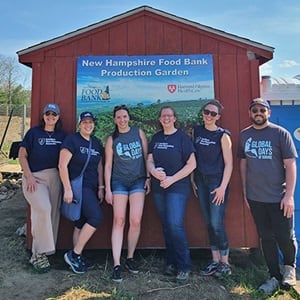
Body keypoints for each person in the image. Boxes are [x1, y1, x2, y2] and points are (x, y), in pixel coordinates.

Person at [238, 98, 298, 295]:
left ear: (268, 113)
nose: (258, 113)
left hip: (278, 198)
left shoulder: (280, 133)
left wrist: (289, 196)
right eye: (254, 110)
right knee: (266, 238)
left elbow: (291, 165)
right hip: (256, 199)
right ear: (250, 113)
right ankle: (273, 276)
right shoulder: (244, 135)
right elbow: (244, 164)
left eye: (262, 110)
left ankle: (289, 267)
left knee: (285, 237)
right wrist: (246, 193)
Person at [147, 106, 196, 282]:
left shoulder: (182, 138)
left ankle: (184, 266)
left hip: (177, 187)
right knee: (167, 225)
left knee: (175, 224)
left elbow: (191, 165)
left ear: (175, 118)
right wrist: (153, 171)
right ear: (160, 119)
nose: (166, 118)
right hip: (159, 187)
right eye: (163, 116)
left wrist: (172, 179)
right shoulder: (156, 138)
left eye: (169, 115)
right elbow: (149, 160)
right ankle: (171, 262)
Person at [104, 104, 150, 283]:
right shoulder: (111, 139)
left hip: (138, 180)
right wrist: (108, 188)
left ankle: (130, 257)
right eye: (119, 117)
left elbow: (146, 156)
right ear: (114, 120)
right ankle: (117, 264)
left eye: (124, 117)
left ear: (128, 118)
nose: (122, 120)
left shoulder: (139, 133)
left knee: (135, 220)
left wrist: (148, 178)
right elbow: (108, 165)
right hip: (119, 182)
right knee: (119, 220)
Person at [18, 103, 66, 272]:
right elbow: (22, 155)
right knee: (43, 208)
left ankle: (45, 251)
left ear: (58, 116)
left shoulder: (62, 135)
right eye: (48, 113)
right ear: (43, 115)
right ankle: (37, 254)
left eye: (54, 114)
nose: (51, 116)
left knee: (52, 214)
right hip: (35, 178)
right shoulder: (33, 133)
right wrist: (29, 175)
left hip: (54, 176)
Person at [191, 99, 233, 277]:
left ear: (218, 117)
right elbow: (193, 156)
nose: (209, 116)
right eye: (207, 112)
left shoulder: (223, 135)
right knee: (208, 222)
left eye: (213, 114)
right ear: (203, 113)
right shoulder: (197, 131)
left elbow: (229, 164)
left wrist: (223, 187)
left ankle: (225, 263)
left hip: (217, 182)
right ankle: (214, 261)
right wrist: (192, 178)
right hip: (200, 180)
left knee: (217, 223)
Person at [59, 111, 104, 274]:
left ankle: (77, 258)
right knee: (96, 217)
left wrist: (101, 187)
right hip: (78, 188)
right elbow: (62, 165)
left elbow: (99, 166)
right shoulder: (72, 140)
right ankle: (74, 254)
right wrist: (68, 189)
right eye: (84, 122)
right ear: (79, 124)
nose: (88, 124)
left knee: (80, 222)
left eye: (90, 122)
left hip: (91, 188)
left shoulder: (96, 143)